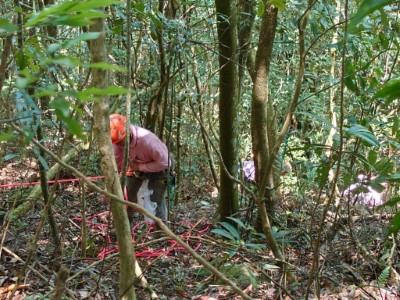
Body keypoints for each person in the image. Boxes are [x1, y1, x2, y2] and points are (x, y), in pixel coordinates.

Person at [109, 114, 170, 225]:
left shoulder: (148, 141)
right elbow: (116, 164)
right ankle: (124, 229)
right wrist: (111, 185)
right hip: (136, 168)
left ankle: (160, 231)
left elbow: (166, 162)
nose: (118, 145)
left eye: (120, 142)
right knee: (126, 197)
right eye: (116, 143)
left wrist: (139, 167)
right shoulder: (117, 142)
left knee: (154, 200)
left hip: (160, 169)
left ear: (128, 133)